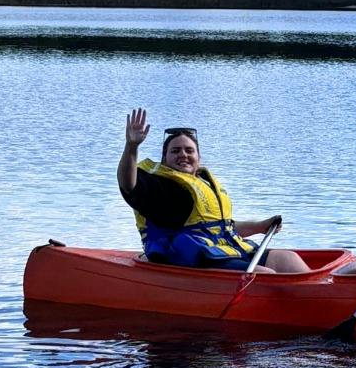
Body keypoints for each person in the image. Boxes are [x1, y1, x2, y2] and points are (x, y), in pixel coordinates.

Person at [117, 108, 308, 273]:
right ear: (165, 158)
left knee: (287, 259)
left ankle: (317, 298)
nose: (183, 154)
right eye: (175, 151)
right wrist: (132, 147)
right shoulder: (159, 186)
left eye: (189, 150)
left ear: (198, 158)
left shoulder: (203, 183)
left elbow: (221, 229)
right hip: (187, 258)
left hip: (220, 252)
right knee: (263, 274)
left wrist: (260, 226)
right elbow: (128, 185)